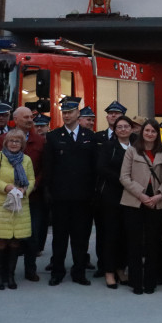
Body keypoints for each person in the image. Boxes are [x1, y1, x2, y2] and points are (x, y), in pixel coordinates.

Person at [43, 97, 97, 286]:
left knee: (80, 237)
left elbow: (94, 168)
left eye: (70, 112)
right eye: (64, 112)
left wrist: (93, 193)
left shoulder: (90, 136)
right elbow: (48, 167)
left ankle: (79, 271)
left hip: (83, 197)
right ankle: (57, 271)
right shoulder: (54, 136)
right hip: (61, 197)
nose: (66, 115)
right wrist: (48, 192)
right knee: (59, 237)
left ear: (78, 114)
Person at [0, 105, 47, 282]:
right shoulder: (2, 139)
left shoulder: (40, 140)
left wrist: (31, 187)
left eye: (30, 117)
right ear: (15, 120)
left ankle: (30, 270)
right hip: (6, 197)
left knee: (32, 236)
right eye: (25, 117)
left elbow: (42, 169)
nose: (30, 120)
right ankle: (4, 273)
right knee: (7, 235)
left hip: (32, 197)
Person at [0, 129, 36, 290]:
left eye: (17, 141)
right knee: (0, 240)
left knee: (15, 240)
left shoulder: (26, 160)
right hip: (2, 205)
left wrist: (25, 190)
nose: (14, 144)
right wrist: (5, 187)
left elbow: (31, 179)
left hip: (20, 205)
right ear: (6, 142)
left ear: (22, 144)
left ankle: (10, 275)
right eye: (11, 141)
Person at [119, 118, 162, 294]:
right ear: (141, 132)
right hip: (134, 201)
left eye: (153, 131)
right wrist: (141, 194)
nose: (149, 134)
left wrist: (159, 195)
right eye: (147, 130)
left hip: (156, 202)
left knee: (153, 244)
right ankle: (136, 281)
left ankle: (150, 282)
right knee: (134, 243)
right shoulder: (132, 151)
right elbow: (124, 177)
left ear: (157, 134)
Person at [97, 115, 134, 288]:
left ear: (132, 129)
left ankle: (121, 268)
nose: (123, 129)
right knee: (111, 235)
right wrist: (123, 180)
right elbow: (102, 168)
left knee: (126, 235)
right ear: (115, 130)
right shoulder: (108, 146)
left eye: (126, 126)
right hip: (112, 195)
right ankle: (109, 271)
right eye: (120, 127)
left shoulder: (136, 147)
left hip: (132, 196)